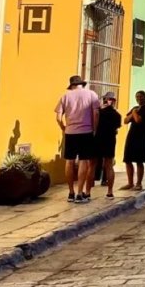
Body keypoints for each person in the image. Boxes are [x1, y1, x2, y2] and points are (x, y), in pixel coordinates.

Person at [54, 74, 101, 203]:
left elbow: (58, 117)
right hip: (86, 131)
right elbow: (96, 113)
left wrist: (64, 128)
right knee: (83, 161)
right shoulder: (91, 94)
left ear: (71, 85)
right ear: (82, 84)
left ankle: (71, 193)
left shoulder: (65, 96)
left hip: (70, 132)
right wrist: (94, 129)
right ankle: (80, 193)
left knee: (69, 161)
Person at [122, 91, 145, 191]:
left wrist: (134, 113)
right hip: (132, 136)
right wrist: (133, 113)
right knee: (128, 160)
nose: (139, 98)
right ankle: (130, 183)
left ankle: (138, 183)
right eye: (137, 96)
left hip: (141, 138)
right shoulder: (135, 108)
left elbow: (138, 120)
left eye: (141, 96)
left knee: (139, 161)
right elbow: (125, 121)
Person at [93, 92, 123, 198]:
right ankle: (110, 191)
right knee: (109, 165)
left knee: (92, 165)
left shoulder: (99, 113)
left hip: (98, 139)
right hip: (110, 140)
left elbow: (94, 125)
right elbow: (117, 127)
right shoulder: (117, 115)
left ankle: (88, 191)